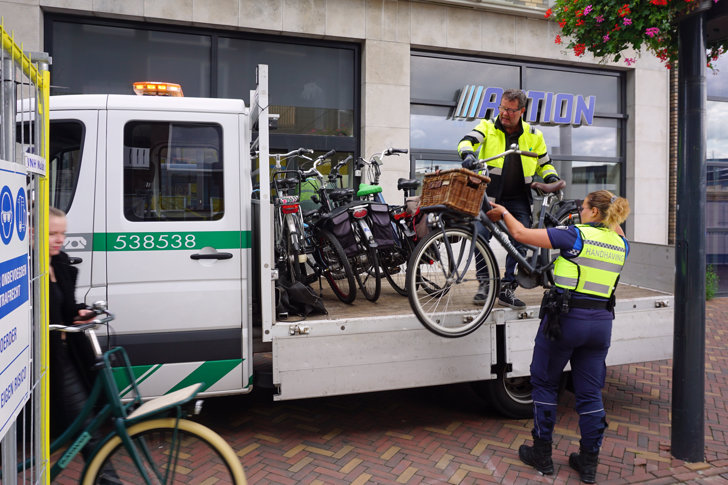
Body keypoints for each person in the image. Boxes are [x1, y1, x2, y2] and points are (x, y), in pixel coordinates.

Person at [486, 190, 630, 484]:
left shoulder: (574, 235)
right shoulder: (622, 244)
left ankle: (542, 454)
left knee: (545, 383)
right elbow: (616, 225)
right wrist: (610, 208)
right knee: (590, 393)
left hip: (565, 320)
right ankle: (588, 463)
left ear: (592, 212)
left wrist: (503, 213)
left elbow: (521, 233)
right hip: (601, 323)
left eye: (584, 207)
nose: (580, 211)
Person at [457, 88, 560, 309]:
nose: (504, 113)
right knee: (481, 237)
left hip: (519, 198)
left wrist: (550, 175)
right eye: (502, 108)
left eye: (510, 110)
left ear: (521, 111)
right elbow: (466, 141)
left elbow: (545, 163)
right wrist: (467, 154)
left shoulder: (534, 134)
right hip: (489, 197)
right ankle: (485, 285)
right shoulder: (487, 127)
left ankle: (507, 288)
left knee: (520, 241)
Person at [49, 207, 118, 482]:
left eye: (62, 233)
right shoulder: (24, 268)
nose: (59, 239)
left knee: (87, 424)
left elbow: (66, 307)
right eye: (52, 233)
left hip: (63, 357)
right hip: (42, 362)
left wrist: (80, 313)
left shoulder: (60, 262)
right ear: (31, 233)